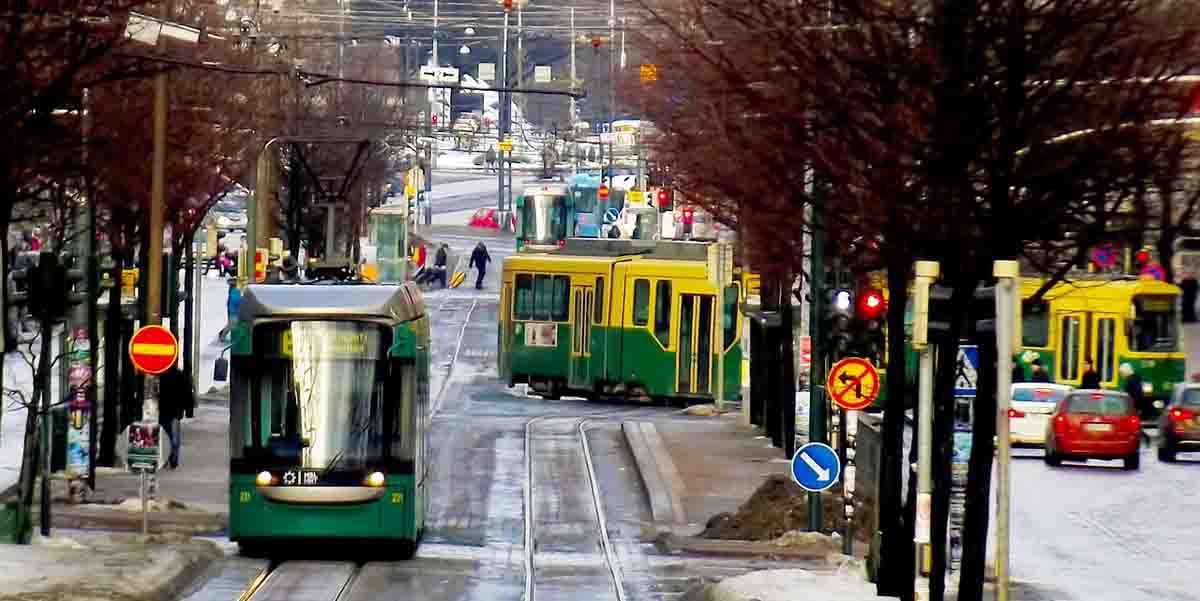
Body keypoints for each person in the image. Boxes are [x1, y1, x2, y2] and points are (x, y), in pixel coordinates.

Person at [158, 366, 195, 469]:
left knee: (164, 435)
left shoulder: (161, 373)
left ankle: (165, 459)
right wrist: (188, 410)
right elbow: (187, 393)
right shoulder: (180, 374)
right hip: (175, 411)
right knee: (174, 436)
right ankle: (173, 459)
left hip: (163, 409)